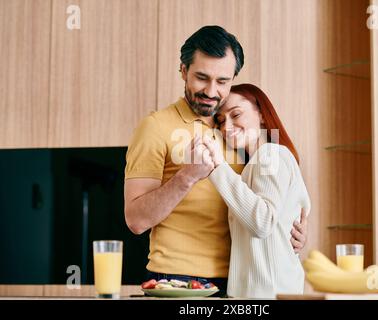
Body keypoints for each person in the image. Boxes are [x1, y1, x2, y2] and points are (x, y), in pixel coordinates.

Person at [124, 25, 307, 296]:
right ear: (184, 71)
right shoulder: (155, 127)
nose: (211, 91)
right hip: (179, 280)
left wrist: (290, 229)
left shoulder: (239, 134)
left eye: (222, 81)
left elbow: (264, 204)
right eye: (201, 77)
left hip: (239, 282)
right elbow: (136, 220)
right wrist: (186, 177)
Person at [197, 83, 311, 298]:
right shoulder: (253, 165)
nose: (226, 127)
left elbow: (262, 222)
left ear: (260, 113)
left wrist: (216, 166)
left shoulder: (271, 154)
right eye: (221, 120)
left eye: (236, 114)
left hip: (267, 295)